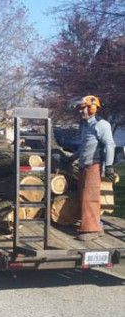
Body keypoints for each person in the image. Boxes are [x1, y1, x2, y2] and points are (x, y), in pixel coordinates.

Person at [72, 95, 116, 241]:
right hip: (84, 165)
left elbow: (110, 145)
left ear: (92, 108)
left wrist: (109, 166)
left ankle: (91, 231)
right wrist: (72, 157)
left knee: (90, 198)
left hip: (94, 165)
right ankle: (96, 225)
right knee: (82, 196)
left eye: (83, 108)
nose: (80, 111)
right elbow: (85, 146)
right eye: (80, 108)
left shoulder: (101, 124)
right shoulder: (85, 125)